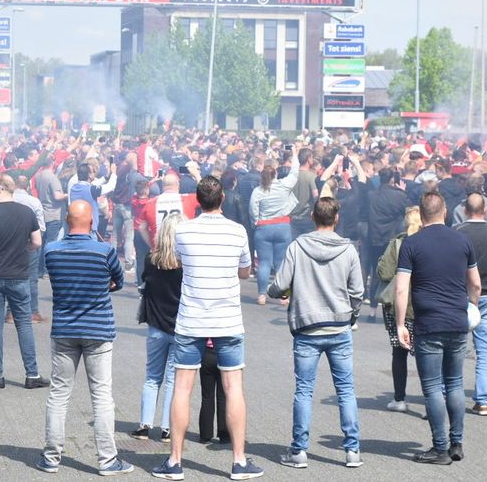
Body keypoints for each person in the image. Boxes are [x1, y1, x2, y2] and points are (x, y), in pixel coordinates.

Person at [153, 176, 264, 481]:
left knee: (182, 389)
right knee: (234, 389)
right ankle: (239, 461)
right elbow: (244, 272)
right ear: (223, 199)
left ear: (197, 201)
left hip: (191, 319)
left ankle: (175, 461)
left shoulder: (184, 230)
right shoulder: (237, 231)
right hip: (227, 319)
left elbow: (177, 262)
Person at [36, 200, 134, 476]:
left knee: (58, 394)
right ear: (92, 222)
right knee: (102, 396)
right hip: (98, 330)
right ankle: (107, 460)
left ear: (67, 221)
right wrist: (104, 285)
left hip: (65, 330)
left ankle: (51, 457)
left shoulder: (52, 251)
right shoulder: (105, 250)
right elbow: (119, 280)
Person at [268, 197, 364, 469]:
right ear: (336, 218)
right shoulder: (348, 250)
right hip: (339, 325)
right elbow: (357, 292)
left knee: (304, 390)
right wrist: (351, 315)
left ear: (312, 217)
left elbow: (280, 284)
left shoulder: (298, 246)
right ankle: (352, 450)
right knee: (346, 390)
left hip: (307, 327)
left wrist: (277, 292)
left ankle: (299, 451)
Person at [394, 191, 481, 466]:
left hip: (428, 322)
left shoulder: (411, 243)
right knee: (454, 382)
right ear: (444, 212)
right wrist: (472, 306)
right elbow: (476, 284)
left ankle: (440, 447)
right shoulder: (462, 240)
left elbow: (400, 288)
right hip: (457, 321)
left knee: (432, 387)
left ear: (420, 214)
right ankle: (457, 442)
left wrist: (399, 324)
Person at [0, 174, 44, 389]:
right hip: (18, 275)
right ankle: (31, 375)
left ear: (1, 188)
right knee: (24, 324)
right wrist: (25, 250)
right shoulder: (27, 212)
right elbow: (37, 241)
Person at [453, 192, 487, 416]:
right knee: (484, 350)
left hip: (459, 295)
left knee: (455, 348)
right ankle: (483, 400)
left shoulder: (456, 232)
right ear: (485, 210)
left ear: (465, 211)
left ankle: (453, 396)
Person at [132, 213, 185, 443]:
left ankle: (144, 425)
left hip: (155, 326)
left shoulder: (151, 259)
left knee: (152, 377)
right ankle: (166, 428)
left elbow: (144, 282)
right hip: (180, 326)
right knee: (173, 380)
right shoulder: (186, 263)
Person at [377, 207, 421, 413]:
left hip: (398, 307)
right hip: (423, 306)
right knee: (426, 355)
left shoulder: (397, 243)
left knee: (399, 352)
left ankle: (399, 398)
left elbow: (384, 273)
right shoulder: (429, 243)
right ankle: (431, 400)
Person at [249, 152, 299, 306]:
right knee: (281, 263)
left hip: (264, 227)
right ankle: (284, 296)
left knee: (264, 262)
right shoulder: (284, 185)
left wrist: (255, 222)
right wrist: (295, 154)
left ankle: (262, 295)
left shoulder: (258, 191)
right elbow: (295, 172)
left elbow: (252, 209)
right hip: (282, 226)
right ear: (276, 174)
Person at [367, 167, 413, 309]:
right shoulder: (399, 196)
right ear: (393, 180)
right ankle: (389, 306)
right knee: (393, 272)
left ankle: (372, 310)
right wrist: (403, 192)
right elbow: (411, 212)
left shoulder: (371, 194)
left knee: (376, 271)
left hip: (374, 237)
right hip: (391, 239)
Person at [12, 175, 47, 323]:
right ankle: (32, 312)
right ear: (27, 187)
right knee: (31, 278)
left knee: (11, 276)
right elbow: (41, 227)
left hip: (10, 243)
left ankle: (10, 313)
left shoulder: (8, 200)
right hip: (29, 242)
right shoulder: (34, 202)